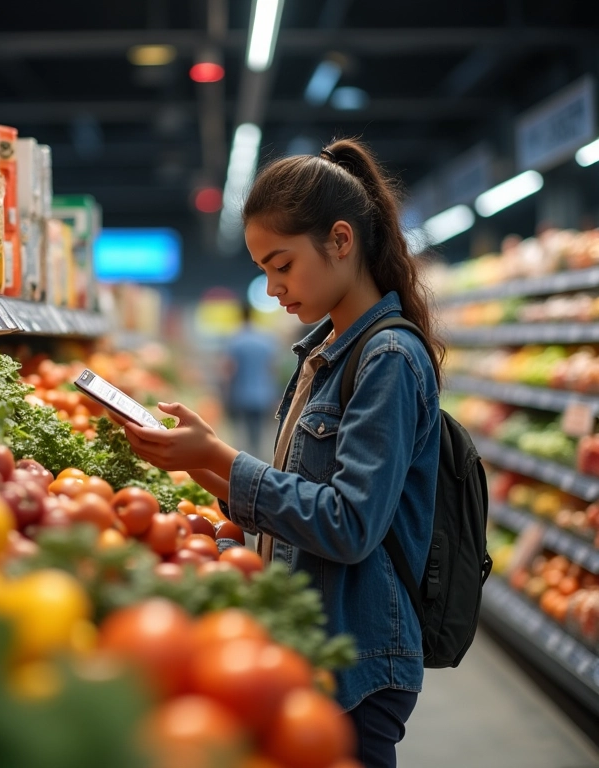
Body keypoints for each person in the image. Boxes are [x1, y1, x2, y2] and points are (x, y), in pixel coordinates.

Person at [123, 137, 445, 768]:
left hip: (358, 658)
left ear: (342, 241)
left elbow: (350, 524)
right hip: (318, 636)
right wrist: (206, 463)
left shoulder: (387, 360)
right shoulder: (326, 354)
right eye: (264, 271)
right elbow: (307, 491)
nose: (272, 289)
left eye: (282, 264)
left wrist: (224, 458)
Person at [222, 300, 280, 460]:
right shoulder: (266, 339)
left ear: (240, 316)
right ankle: (261, 466)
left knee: (242, 435)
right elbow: (273, 369)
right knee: (261, 435)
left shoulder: (236, 340)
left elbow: (229, 370)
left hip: (241, 395)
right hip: (264, 394)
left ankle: (244, 467)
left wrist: (225, 395)